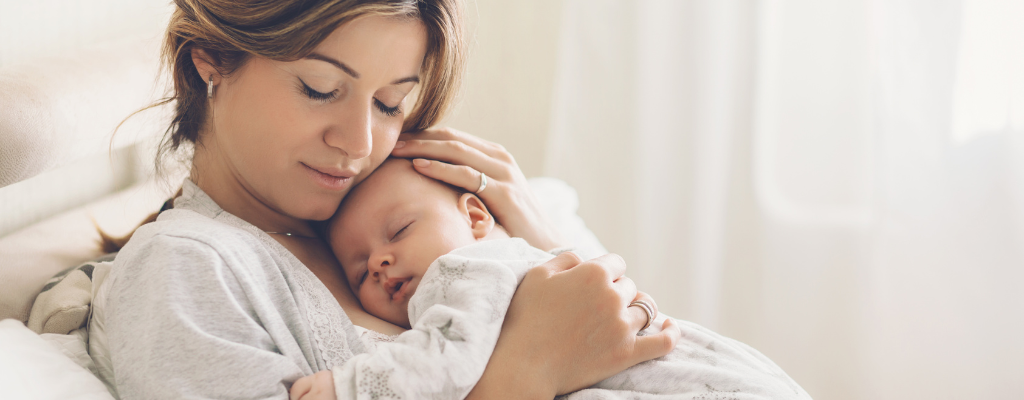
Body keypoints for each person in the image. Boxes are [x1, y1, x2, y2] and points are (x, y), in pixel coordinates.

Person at [88, 0, 676, 399]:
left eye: (391, 103)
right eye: (320, 89)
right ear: (211, 57)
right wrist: (525, 370)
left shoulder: (398, 212)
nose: (359, 143)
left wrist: (536, 240)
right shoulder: (183, 266)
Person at [285, 158, 810, 400]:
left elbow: (443, 355)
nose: (378, 262)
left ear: (475, 218)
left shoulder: (466, 270)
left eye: (399, 230)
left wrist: (349, 388)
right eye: (358, 270)